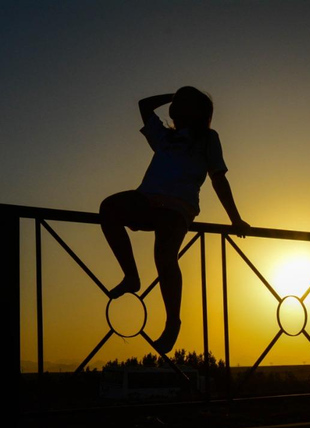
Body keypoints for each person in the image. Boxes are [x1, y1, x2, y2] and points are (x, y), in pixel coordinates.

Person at [99, 86, 249, 355]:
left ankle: (172, 323)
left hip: (178, 207)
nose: (177, 108)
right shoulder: (165, 138)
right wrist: (176, 94)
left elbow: (218, 178)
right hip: (146, 200)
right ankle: (131, 276)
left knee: (165, 257)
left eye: (184, 104)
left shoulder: (207, 138)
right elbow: (144, 105)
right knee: (109, 208)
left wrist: (235, 219)